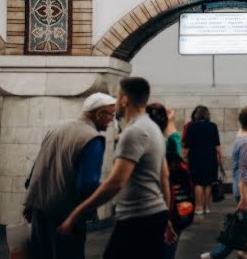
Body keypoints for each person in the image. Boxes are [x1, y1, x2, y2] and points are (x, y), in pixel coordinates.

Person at [58, 77, 176, 259]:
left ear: (124, 99)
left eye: (117, 96)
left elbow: (115, 182)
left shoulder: (133, 132)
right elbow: (164, 177)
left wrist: (77, 213)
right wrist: (166, 218)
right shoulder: (153, 128)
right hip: (154, 215)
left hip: (137, 218)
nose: (116, 102)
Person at [23, 92, 116, 259]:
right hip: (66, 215)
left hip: (39, 209)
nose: (112, 121)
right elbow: (87, 185)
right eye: (111, 115)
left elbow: (38, 165)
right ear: (99, 113)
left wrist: (30, 201)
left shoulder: (57, 127)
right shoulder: (93, 138)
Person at [200, 104, 247, 259]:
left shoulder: (246, 140)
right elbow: (245, 173)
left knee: (241, 227)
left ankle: (215, 255)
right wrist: (244, 198)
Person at [146, 103, 188, 259]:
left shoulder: (145, 143)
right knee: (168, 247)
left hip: (149, 204)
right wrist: (170, 121)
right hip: (170, 203)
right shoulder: (170, 143)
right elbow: (175, 136)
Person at [183, 105, 222, 215]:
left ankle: (199, 207)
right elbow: (217, 145)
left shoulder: (191, 127)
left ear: (197, 115)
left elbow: (187, 146)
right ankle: (207, 207)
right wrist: (220, 157)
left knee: (198, 183)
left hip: (196, 158)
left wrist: (184, 157)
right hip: (210, 158)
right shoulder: (213, 126)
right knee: (208, 183)